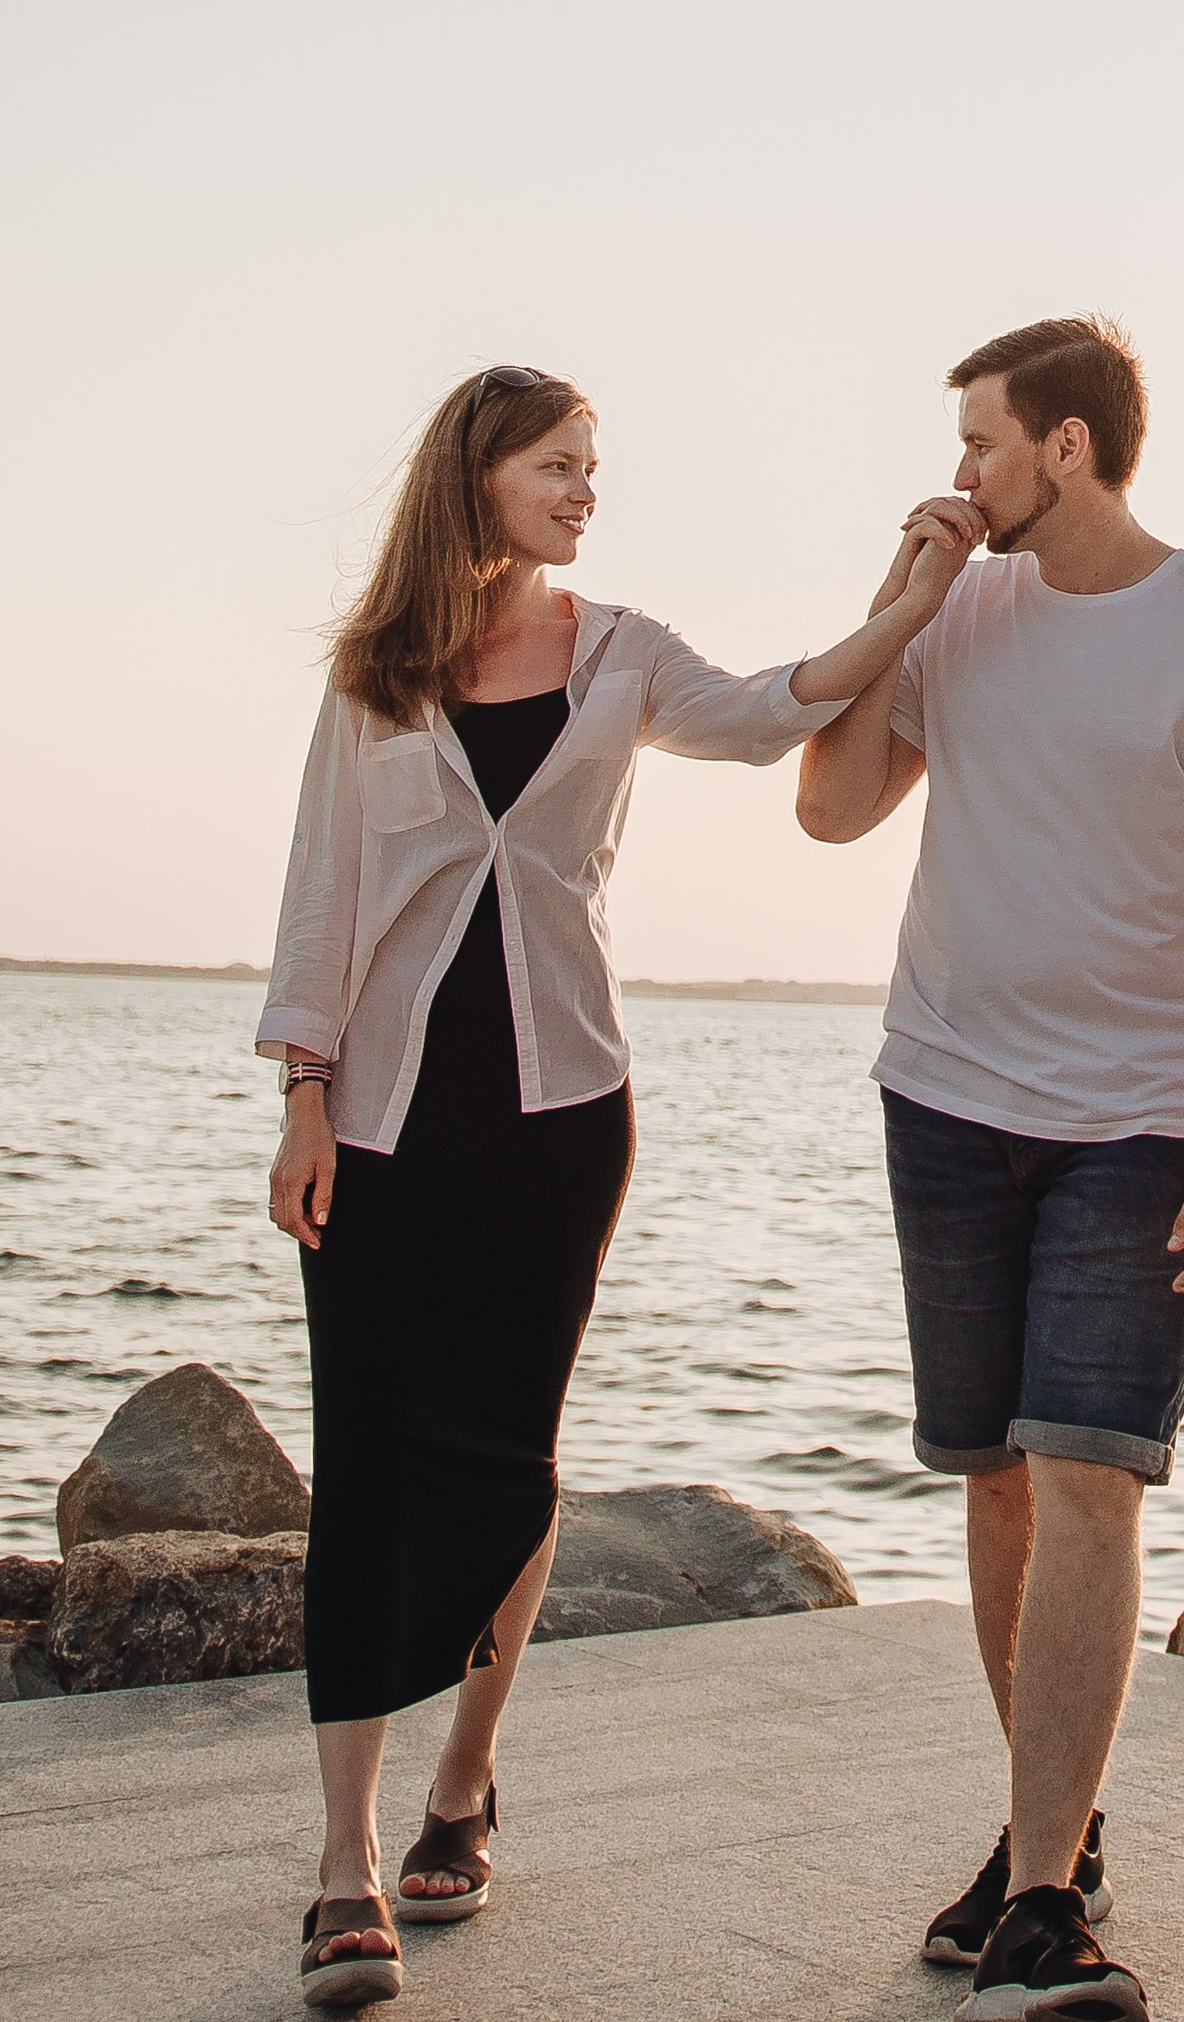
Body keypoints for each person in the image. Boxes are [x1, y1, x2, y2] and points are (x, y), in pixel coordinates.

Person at [259, 364, 948, 2010]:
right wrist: (299, 1102)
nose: (586, 491)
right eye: (560, 466)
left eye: (592, 468)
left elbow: (778, 707)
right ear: (479, 476)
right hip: (379, 1123)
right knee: (365, 1459)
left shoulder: (624, 651)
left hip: (563, 1112)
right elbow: (320, 897)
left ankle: (462, 1788)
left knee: (510, 1457)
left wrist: (911, 602)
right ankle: (347, 1862)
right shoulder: (374, 674)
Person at [797, 315, 1184, 2022]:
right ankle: (1054, 1838)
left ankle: (1037, 1904)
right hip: (943, 1100)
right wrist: (901, 596)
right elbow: (832, 806)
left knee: (1090, 1472)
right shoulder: (963, 616)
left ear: (1070, 447)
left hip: (1145, 1127)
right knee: (997, 1479)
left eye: (980, 445)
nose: (959, 473)